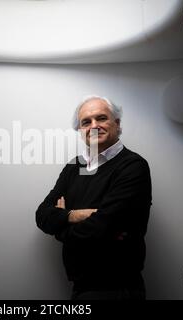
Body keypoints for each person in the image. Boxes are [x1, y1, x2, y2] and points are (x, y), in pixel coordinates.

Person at [36, 95, 152, 300]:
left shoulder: (133, 167)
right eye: (86, 122)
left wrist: (61, 229)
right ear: (80, 131)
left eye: (101, 118)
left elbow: (103, 227)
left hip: (116, 288)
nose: (94, 126)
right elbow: (42, 215)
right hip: (80, 287)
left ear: (117, 124)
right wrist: (73, 215)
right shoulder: (75, 166)